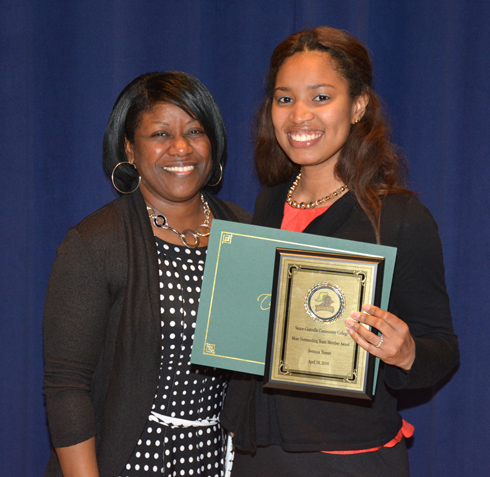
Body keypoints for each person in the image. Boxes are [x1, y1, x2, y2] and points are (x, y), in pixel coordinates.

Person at [221, 27, 459, 476]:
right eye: (285, 99)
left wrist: (406, 353)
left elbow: (442, 348)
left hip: (349, 460)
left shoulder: (398, 217)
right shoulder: (268, 201)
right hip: (258, 453)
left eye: (321, 97)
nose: (299, 116)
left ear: (358, 107)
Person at [43, 71, 251, 476]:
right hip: (129, 462)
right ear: (129, 149)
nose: (180, 148)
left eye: (195, 131)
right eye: (159, 134)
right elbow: (67, 387)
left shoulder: (245, 235)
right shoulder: (96, 243)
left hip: (220, 463)